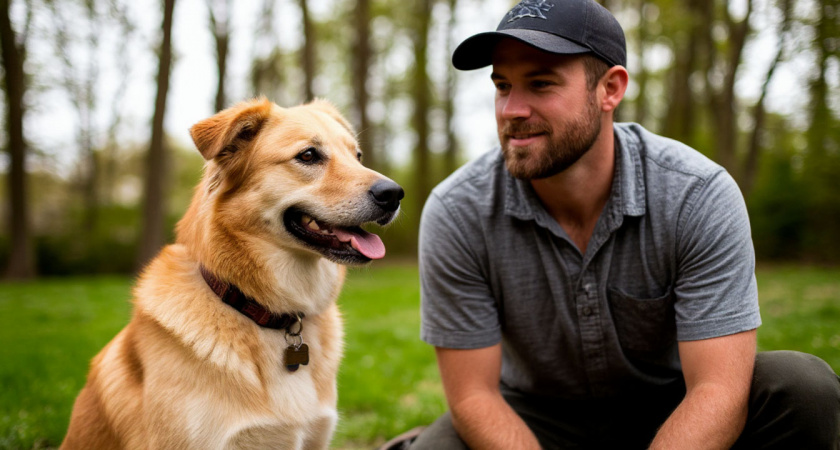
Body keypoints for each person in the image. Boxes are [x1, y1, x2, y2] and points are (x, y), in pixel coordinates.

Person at [408, 0, 840, 448]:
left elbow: (717, 388)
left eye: (540, 84)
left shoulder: (696, 194)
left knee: (802, 387)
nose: (511, 110)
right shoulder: (457, 210)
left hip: (673, 407)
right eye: (502, 86)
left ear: (610, 89)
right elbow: (474, 394)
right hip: (535, 418)